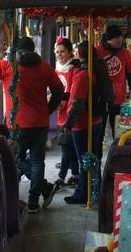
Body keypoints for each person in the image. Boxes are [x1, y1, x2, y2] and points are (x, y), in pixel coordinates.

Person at [0, 35, 64, 213]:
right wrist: (48, 110)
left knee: (15, 160)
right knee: (37, 162)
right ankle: (35, 202)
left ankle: (39, 190)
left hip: (17, 125)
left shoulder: (8, 67)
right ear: (32, 50)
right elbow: (59, 90)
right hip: (40, 123)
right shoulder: (44, 67)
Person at [62, 41, 107, 204]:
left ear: (79, 55)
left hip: (82, 124)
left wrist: (68, 125)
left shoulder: (82, 76)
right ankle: (96, 189)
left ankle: (82, 193)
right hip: (97, 120)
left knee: (84, 161)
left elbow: (78, 104)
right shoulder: (98, 71)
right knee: (93, 158)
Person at [96, 25, 131, 140]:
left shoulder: (125, 53)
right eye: (117, 40)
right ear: (109, 40)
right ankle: (97, 156)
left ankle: (118, 154)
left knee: (118, 130)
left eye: (121, 39)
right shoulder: (98, 52)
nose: (120, 42)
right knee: (99, 130)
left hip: (118, 98)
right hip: (101, 98)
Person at [53, 37, 80, 187]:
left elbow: (70, 94)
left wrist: (57, 103)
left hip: (69, 116)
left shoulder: (73, 71)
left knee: (66, 149)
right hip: (60, 116)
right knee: (69, 149)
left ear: (70, 53)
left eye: (62, 51)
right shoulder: (56, 70)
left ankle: (61, 177)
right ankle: (75, 175)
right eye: (57, 52)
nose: (59, 54)